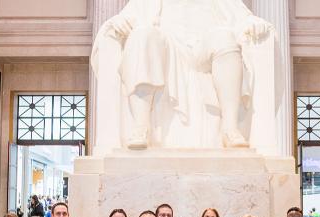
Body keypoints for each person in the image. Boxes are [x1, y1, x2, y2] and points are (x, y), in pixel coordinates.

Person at [92, 0, 274, 149]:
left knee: (224, 37)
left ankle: (230, 128)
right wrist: (115, 23)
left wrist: (252, 24)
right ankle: (141, 126)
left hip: (204, 51)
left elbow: (243, 20)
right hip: (166, 51)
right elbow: (125, 20)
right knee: (142, 35)